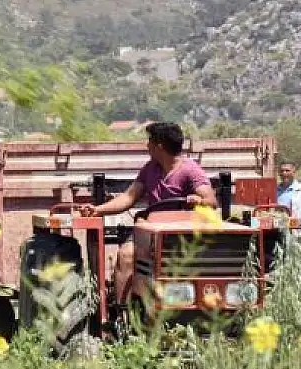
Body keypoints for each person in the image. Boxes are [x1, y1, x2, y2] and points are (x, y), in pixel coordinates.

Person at [77, 122, 218, 304]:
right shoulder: (150, 168)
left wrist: (199, 200)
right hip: (150, 231)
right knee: (126, 255)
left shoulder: (190, 170)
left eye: (149, 140)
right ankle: (122, 313)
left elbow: (211, 201)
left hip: (179, 235)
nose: (147, 145)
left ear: (159, 146)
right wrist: (98, 210)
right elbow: (129, 197)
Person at [277, 162, 301, 237]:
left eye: (287, 170)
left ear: (294, 172)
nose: (284, 173)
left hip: (298, 232)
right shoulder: (275, 190)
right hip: (278, 230)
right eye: (281, 171)